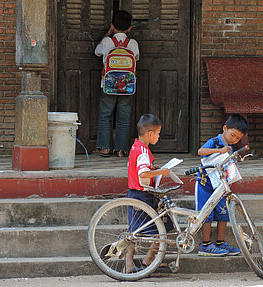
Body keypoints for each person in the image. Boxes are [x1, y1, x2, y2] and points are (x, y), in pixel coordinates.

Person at [195, 114, 248, 256]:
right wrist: (219, 150)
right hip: (205, 184)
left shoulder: (229, 146)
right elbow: (201, 151)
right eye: (232, 135)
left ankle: (220, 242)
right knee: (207, 214)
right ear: (225, 128)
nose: (234, 139)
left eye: (238, 138)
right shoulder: (215, 141)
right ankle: (205, 245)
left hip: (220, 186)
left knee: (223, 214)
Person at [125, 114, 172, 273]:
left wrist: (154, 169)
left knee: (134, 231)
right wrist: (161, 171)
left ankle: (130, 264)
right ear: (150, 134)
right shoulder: (144, 152)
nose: (159, 137)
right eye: (158, 133)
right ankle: (148, 261)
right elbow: (143, 174)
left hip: (134, 194)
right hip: (142, 196)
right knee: (160, 230)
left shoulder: (135, 147)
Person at [94, 10, 140, 157]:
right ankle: (121, 150)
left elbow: (97, 52)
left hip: (108, 86)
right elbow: (136, 58)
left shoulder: (107, 42)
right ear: (129, 28)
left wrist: (107, 34)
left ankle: (104, 148)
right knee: (124, 118)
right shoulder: (132, 44)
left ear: (112, 26)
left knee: (105, 116)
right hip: (127, 86)